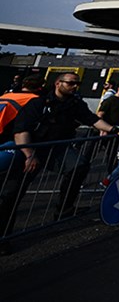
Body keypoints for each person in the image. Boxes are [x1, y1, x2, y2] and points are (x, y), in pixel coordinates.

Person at [22, 73, 119, 219]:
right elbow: (21, 129)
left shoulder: (75, 103)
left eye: (78, 83)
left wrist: (114, 129)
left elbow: (91, 119)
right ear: (58, 83)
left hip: (58, 147)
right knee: (14, 188)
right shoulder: (39, 102)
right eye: (71, 83)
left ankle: (64, 209)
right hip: (34, 146)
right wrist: (28, 154)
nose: (75, 86)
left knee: (79, 166)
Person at [0, 75, 46, 249]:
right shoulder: (34, 101)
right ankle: (3, 239)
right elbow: (22, 129)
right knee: (9, 194)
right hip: (11, 148)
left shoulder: (7, 95)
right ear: (40, 87)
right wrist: (29, 153)